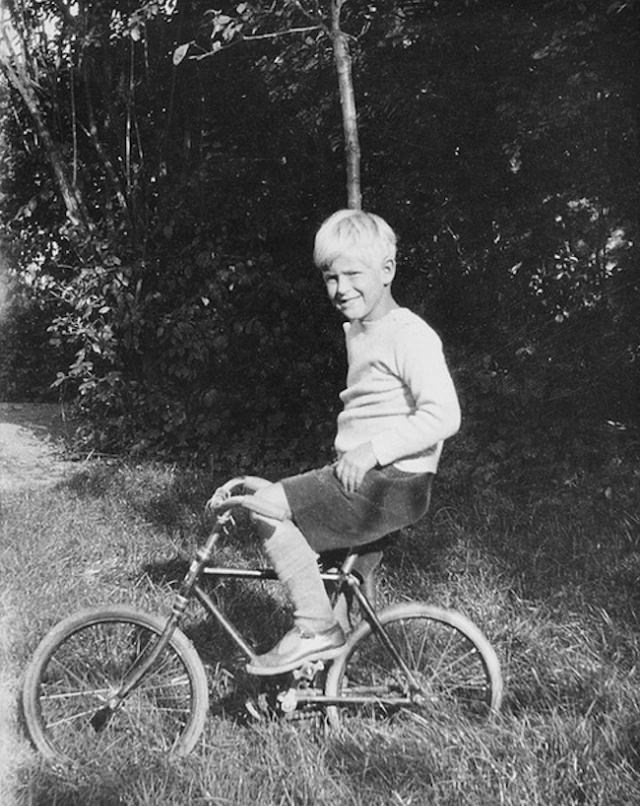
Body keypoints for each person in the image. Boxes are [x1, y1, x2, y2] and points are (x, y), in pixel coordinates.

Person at [246, 209, 461, 676]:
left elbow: (444, 414)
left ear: (387, 271)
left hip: (390, 483)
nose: (341, 289)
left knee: (266, 508)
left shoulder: (409, 334)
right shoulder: (360, 330)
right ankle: (326, 681)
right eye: (330, 277)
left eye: (353, 275)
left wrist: (370, 452)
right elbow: (370, 413)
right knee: (337, 589)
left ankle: (313, 630)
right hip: (374, 480)